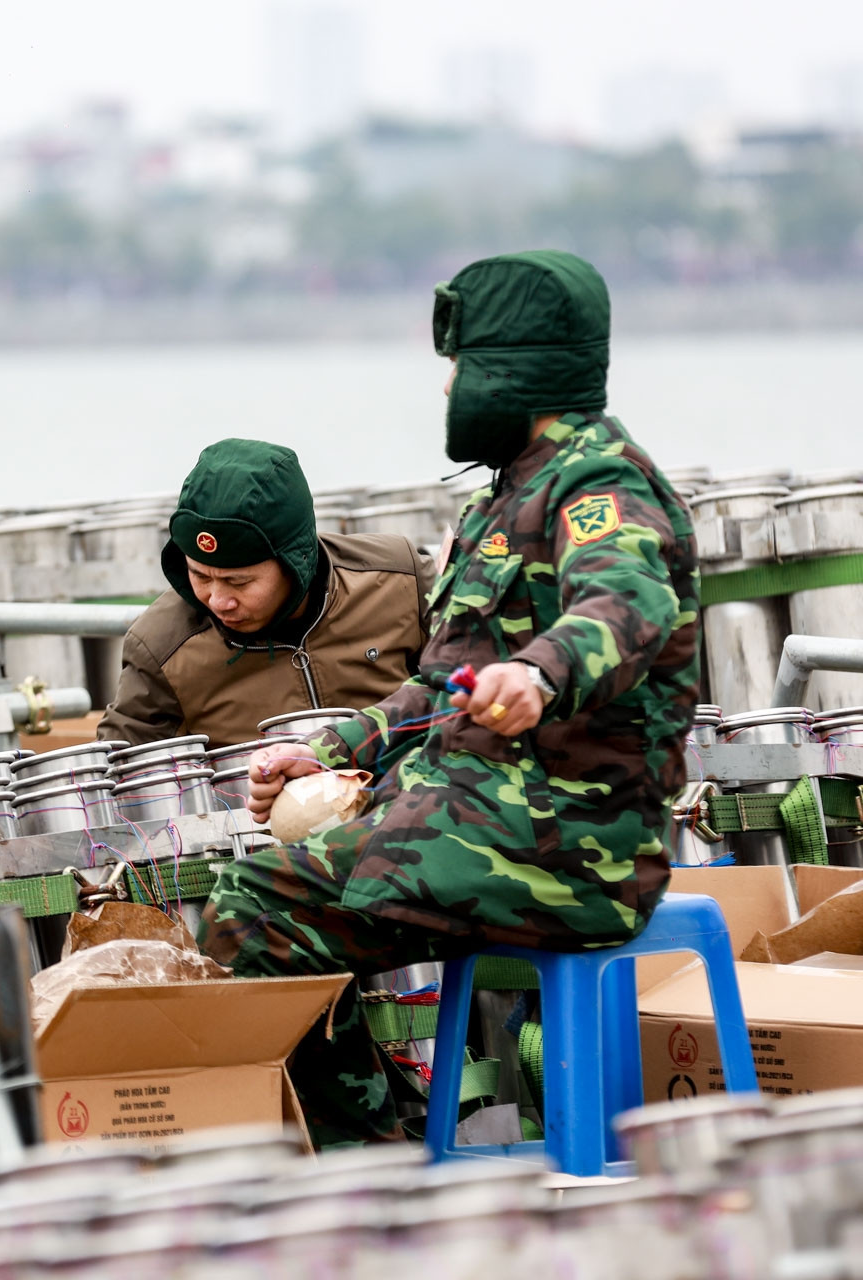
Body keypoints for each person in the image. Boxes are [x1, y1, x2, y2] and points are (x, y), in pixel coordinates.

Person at [198, 250, 700, 1147]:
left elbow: (628, 607)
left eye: (459, 368)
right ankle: (385, 1134)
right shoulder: (504, 499)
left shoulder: (599, 487)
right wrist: (333, 752)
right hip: (476, 814)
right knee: (262, 883)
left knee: (258, 907)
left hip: (571, 844)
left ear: (514, 370)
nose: (447, 392)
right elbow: (438, 689)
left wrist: (542, 673)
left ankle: (364, 1169)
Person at [98, 439, 434, 749]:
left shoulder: (401, 579)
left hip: (412, 803)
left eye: (239, 582)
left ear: (296, 559)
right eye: (199, 575)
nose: (218, 601)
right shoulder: (161, 645)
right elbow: (120, 770)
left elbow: (472, 685)